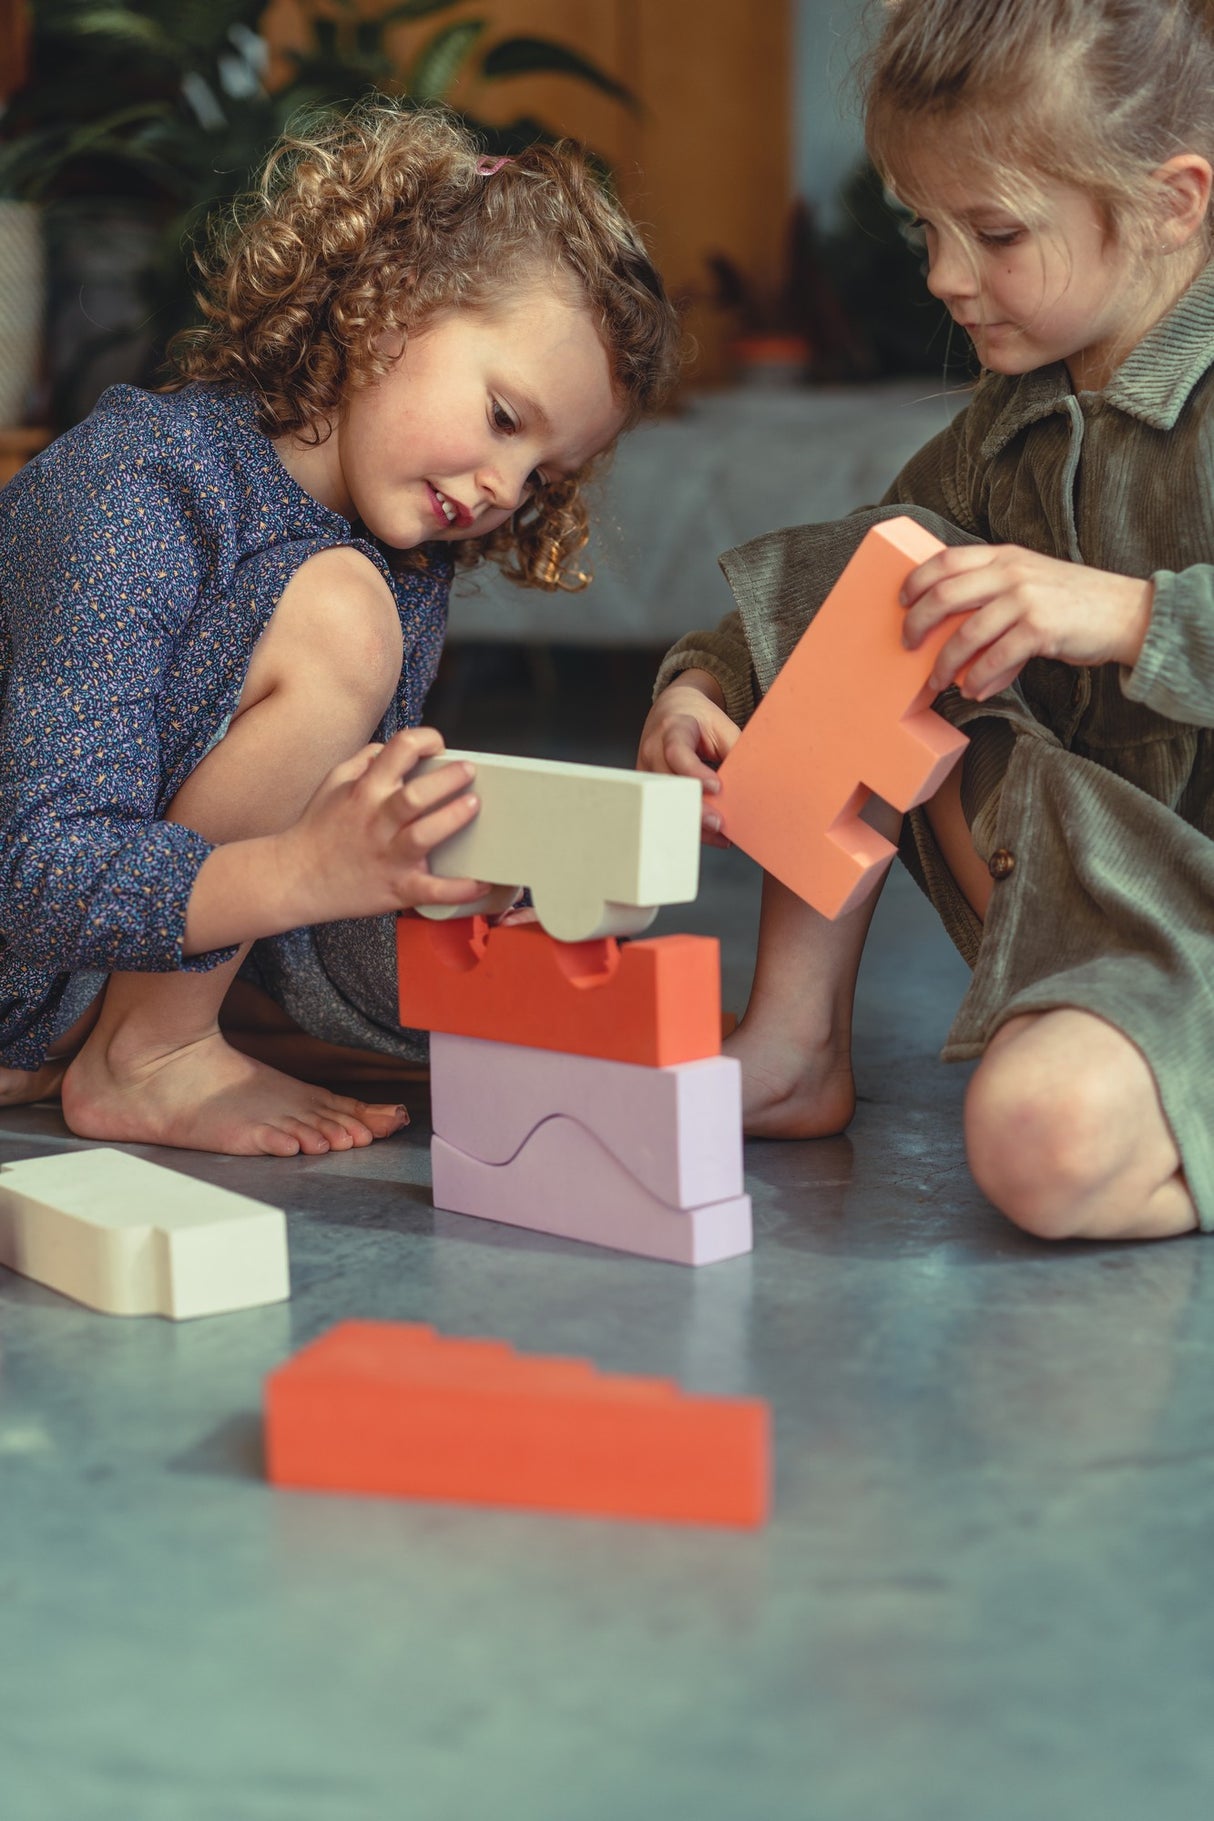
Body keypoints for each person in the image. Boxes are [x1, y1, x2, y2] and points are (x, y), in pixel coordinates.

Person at [0, 102, 680, 1158]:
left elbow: (302, 888)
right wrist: (308, 873)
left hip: (86, 969)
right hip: (27, 929)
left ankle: (128, 1046)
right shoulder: (140, 488)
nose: (506, 485)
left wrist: (465, 874)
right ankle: (147, 1059)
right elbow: (37, 868)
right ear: (385, 306)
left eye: (542, 472)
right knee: (342, 614)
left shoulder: (403, 557)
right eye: (504, 417)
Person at [638, 0, 1214, 1244]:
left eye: (995, 233)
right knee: (889, 571)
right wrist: (704, 688)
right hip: (1101, 909)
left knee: (1041, 1145)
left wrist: (1124, 613)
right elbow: (843, 576)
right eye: (924, 230)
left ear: (1174, 201)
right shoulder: (1007, 422)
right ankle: (789, 1045)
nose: (946, 278)